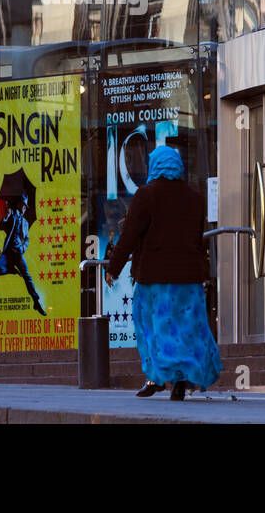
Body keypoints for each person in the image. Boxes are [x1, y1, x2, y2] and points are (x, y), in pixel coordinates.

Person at [104, 145, 221, 401]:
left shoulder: (146, 195)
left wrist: (113, 267)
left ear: (155, 165)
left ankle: (156, 377)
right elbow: (197, 241)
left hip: (155, 281)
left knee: (152, 329)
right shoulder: (195, 199)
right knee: (184, 330)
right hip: (189, 280)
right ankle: (179, 381)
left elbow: (129, 237)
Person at [0, 185, 45, 316]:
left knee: (27, 276)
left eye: (25, 207)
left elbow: (26, 239)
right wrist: (6, 216)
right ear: (19, 204)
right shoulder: (11, 215)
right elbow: (2, 225)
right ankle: (12, 270)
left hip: (18, 253)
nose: (24, 209)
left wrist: (22, 248)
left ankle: (36, 301)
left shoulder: (26, 222)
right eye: (23, 206)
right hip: (8, 252)